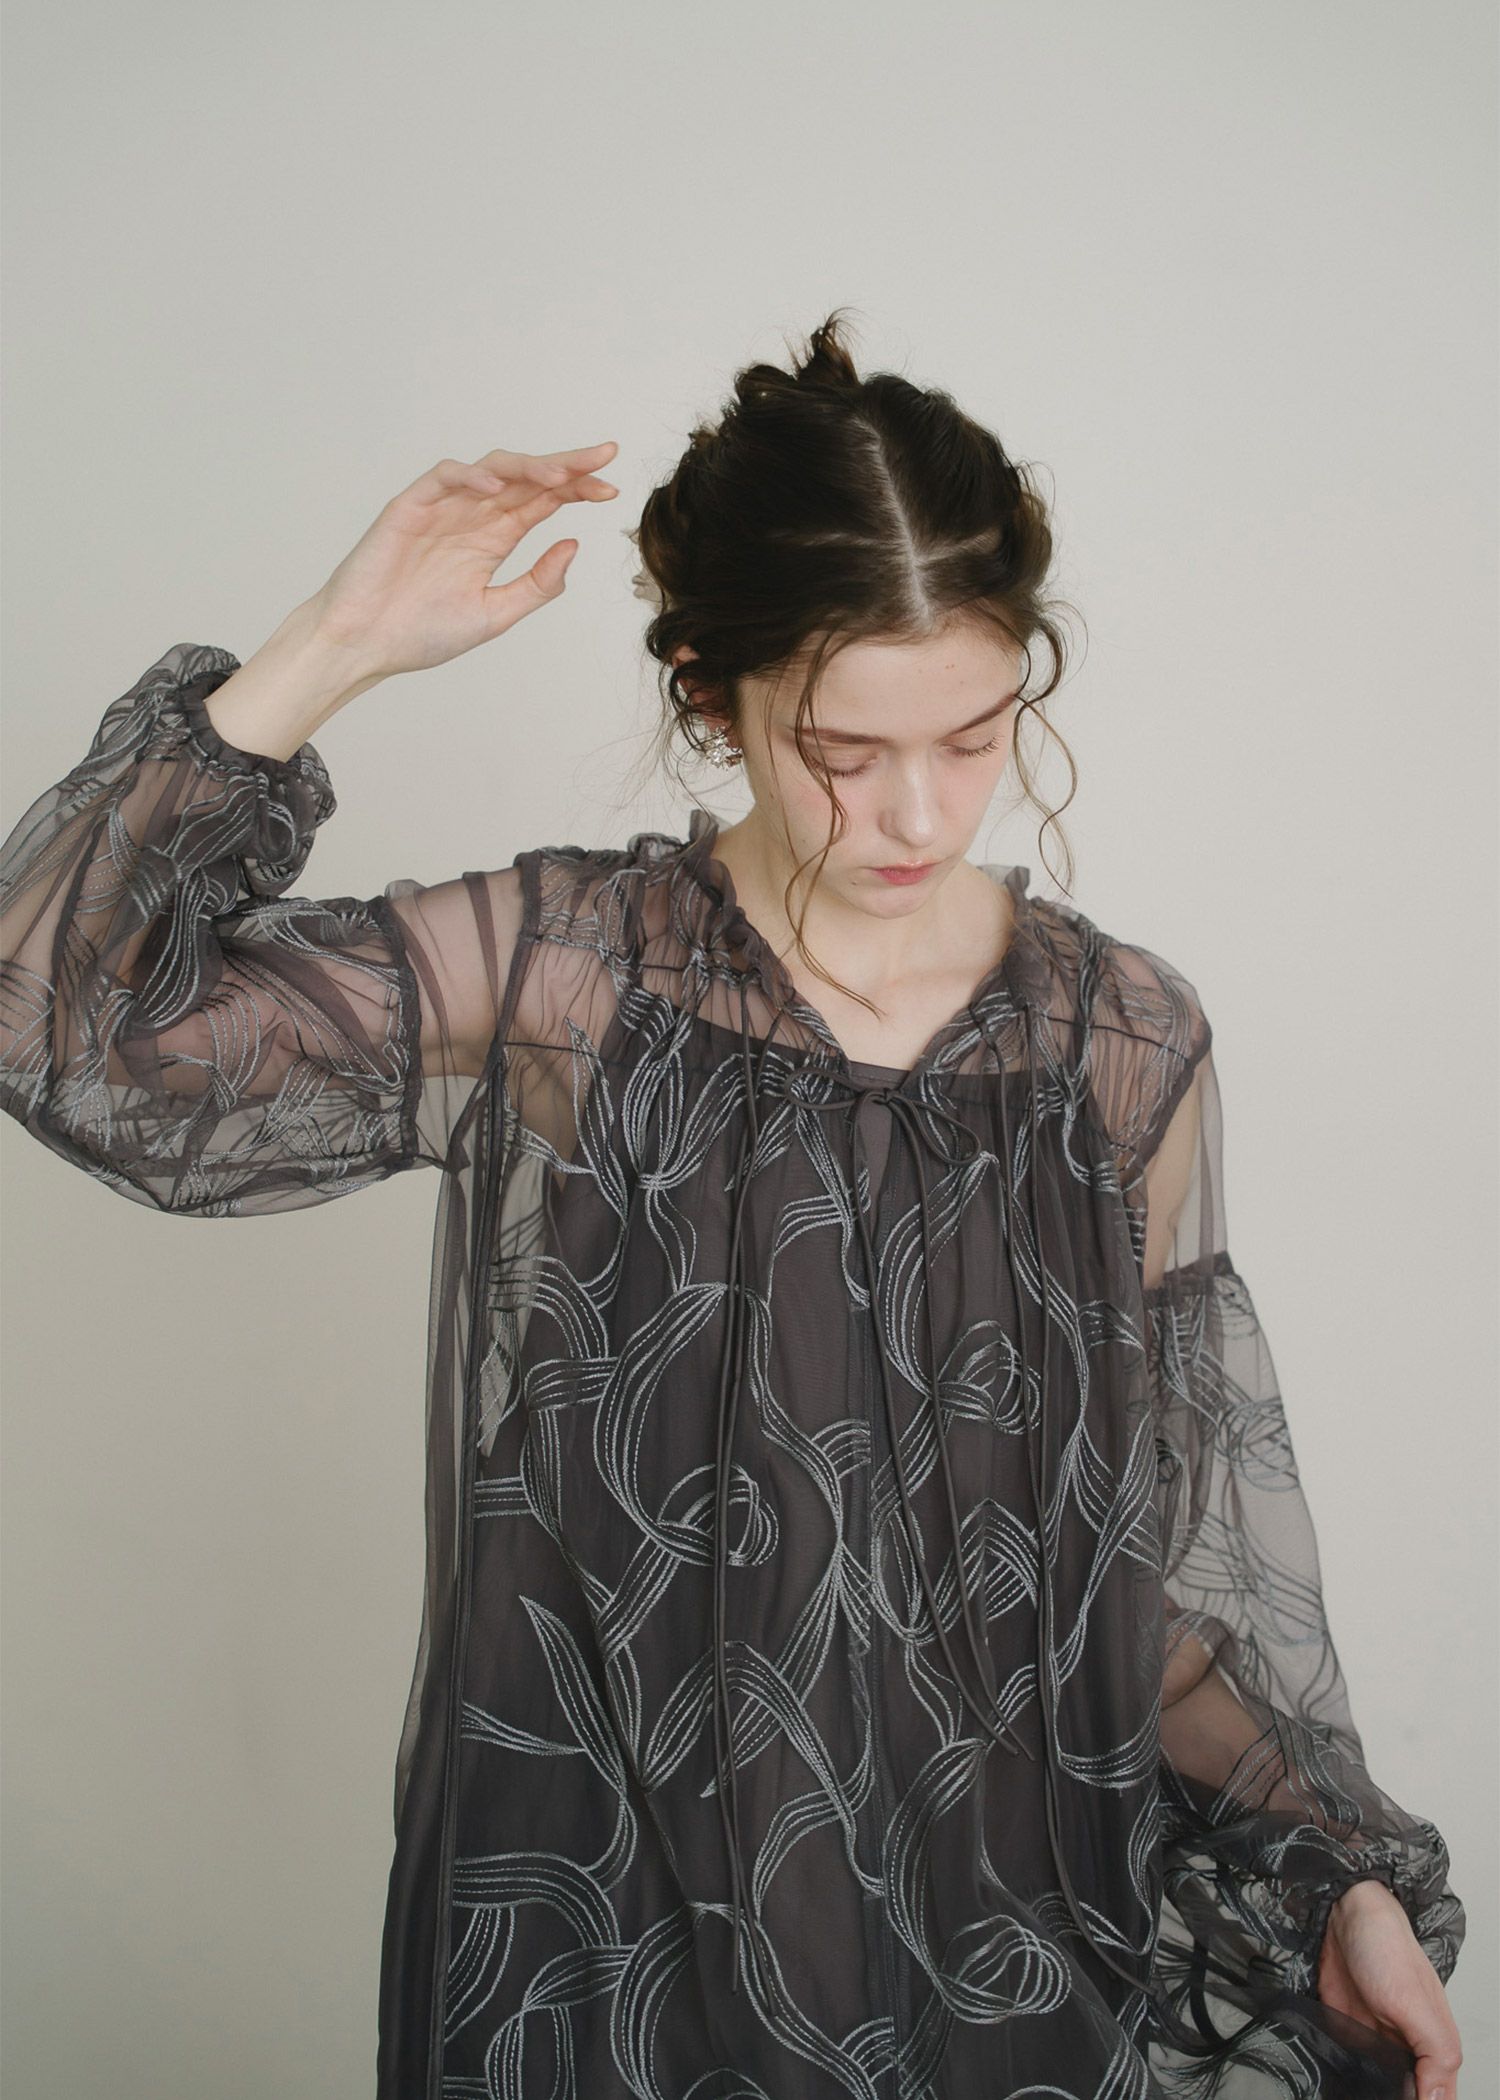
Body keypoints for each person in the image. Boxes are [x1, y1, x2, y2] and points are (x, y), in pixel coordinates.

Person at [0, 313, 1466, 2099]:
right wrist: (335, 647)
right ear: (711, 689)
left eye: (976, 734)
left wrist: (1340, 1881)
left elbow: (1137, 1589)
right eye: (844, 747)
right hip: (610, 1963)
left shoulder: (1120, 1046)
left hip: (994, 1971)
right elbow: (66, 1026)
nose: (916, 811)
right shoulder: (572, 983)